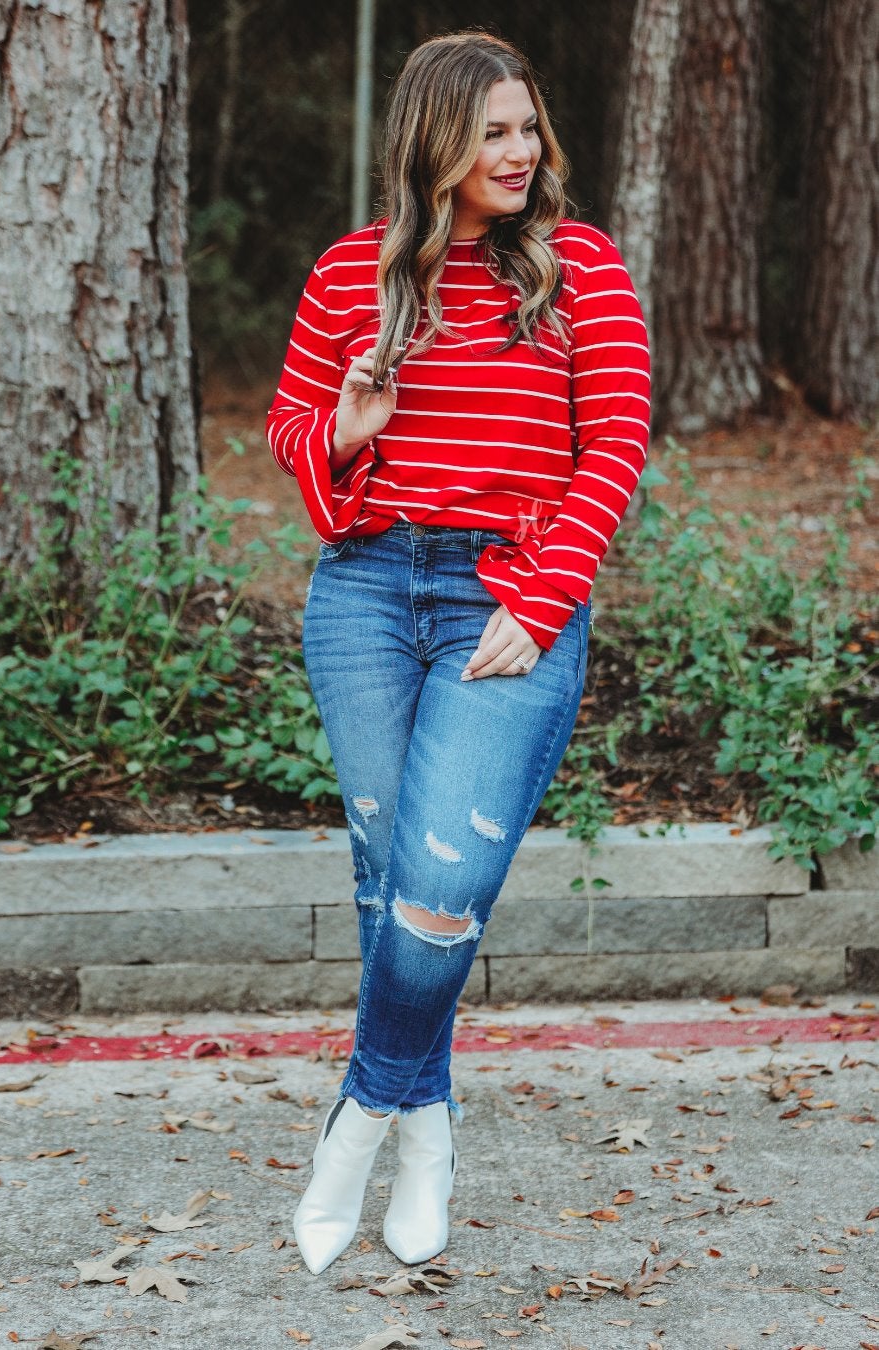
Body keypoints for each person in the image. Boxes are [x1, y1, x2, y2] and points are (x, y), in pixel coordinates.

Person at [265, 29, 651, 1275]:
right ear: (433, 137)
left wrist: (544, 602)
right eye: (493, 131)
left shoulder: (582, 267)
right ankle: (429, 1125)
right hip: (368, 596)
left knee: (437, 895)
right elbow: (287, 424)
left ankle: (362, 1117)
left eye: (528, 128)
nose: (521, 152)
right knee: (389, 886)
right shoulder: (352, 275)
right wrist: (346, 423)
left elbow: (617, 449)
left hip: (508, 597)